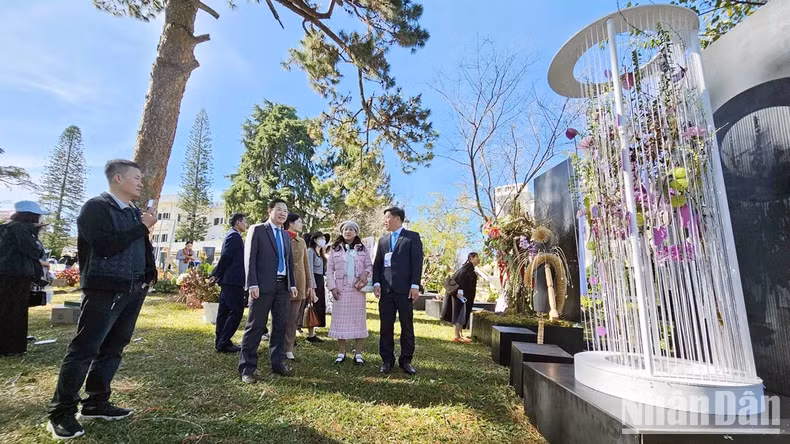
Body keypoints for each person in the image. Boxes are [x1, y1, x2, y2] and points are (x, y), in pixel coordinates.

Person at [47, 159, 158, 440]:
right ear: (118, 179)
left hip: (133, 289)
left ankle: (97, 402)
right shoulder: (95, 207)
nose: (141, 183)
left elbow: (139, 246)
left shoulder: (134, 212)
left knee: (114, 347)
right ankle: (61, 413)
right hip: (104, 289)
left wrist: (149, 273)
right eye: (136, 177)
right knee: (85, 348)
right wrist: (141, 227)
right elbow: (106, 247)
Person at [239, 199, 297, 382]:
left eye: (285, 211)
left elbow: (289, 263)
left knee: (280, 325)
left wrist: (292, 284)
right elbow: (250, 258)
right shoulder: (257, 230)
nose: (282, 213)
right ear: (270, 210)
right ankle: (247, 368)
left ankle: (278, 363)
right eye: (279, 210)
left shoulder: (287, 235)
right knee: (255, 326)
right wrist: (252, 284)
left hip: (282, 287)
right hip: (262, 286)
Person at [373, 207, 423, 375]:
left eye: (387, 217)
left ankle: (406, 360)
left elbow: (417, 263)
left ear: (398, 219)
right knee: (385, 327)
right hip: (386, 291)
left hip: (405, 290)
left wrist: (415, 285)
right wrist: (377, 283)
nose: (385, 221)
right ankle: (387, 360)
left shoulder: (412, 237)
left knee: (406, 326)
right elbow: (378, 264)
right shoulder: (383, 241)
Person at [0, 201, 49, 357]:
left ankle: (10, 343)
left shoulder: (8, 227)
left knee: (8, 308)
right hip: (16, 274)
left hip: (9, 272)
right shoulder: (20, 228)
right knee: (14, 311)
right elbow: (33, 250)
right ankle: (11, 346)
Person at [326, 221, 372, 365]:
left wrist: (365, 273)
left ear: (356, 232)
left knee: (358, 321)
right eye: (345, 229)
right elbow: (329, 270)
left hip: (357, 289)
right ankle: (341, 352)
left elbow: (369, 265)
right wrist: (332, 287)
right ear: (342, 232)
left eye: (351, 229)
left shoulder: (362, 248)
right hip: (341, 289)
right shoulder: (335, 249)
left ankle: (358, 353)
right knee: (340, 321)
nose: (348, 232)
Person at [209, 213, 249, 353]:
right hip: (232, 280)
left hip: (228, 280)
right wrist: (216, 273)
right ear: (238, 222)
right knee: (237, 311)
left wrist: (216, 274)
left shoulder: (231, 235)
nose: (246, 225)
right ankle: (224, 341)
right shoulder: (234, 236)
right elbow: (226, 257)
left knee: (224, 311)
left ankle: (221, 342)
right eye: (245, 222)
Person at [283, 213, 314, 360]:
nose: (301, 225)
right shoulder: (281, 237)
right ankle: (275, 345)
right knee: (279, 317)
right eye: (299, 222)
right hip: (282, 283)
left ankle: (288, 348)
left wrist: (309, 284)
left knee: (293, 318)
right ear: (290, 223)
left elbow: (306, 265)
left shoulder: (301, 241)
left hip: (300, 283)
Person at [441, 252, 480, 343]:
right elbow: (461, 279)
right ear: (471, 258)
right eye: (477, 257)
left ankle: (460, 334)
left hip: (463, 295)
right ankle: (457, 336)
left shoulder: (468, 268)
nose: (478, 259)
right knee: (459, 313)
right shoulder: (466, 268)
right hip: (460, 295)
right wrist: (459, 291)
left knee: (462, 313)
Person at [305, 231, 327, 341]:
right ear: (315, 240)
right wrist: (311, 287)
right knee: (311, 305)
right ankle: (310, 334)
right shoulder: (310, 251)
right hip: (313, 281)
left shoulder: (321, 253)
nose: (323, 240)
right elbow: (309, 269)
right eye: (321, 238)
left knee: (318, 307)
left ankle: (313, 332)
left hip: (320, 281)